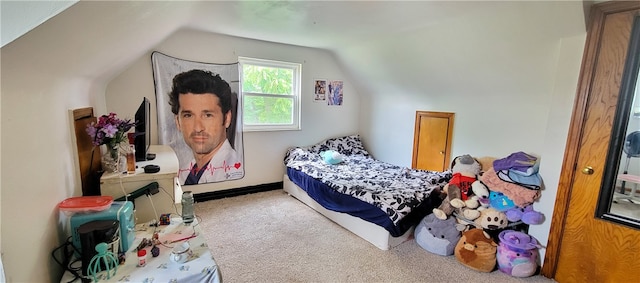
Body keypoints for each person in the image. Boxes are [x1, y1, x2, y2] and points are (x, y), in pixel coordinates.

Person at [169, 69, 243, 185]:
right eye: (188, 115)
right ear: (178, 122)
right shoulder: (185, 173)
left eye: (208, 115)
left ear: (227, 119)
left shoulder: (234, 174)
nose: (198, 128)